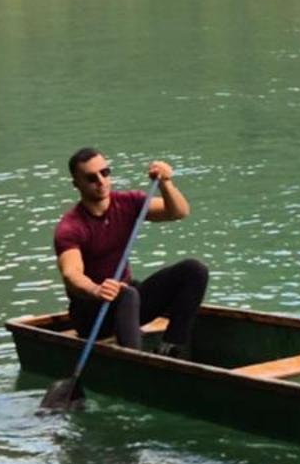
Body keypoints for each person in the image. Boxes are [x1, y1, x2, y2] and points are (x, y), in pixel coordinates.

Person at [53, 149, 207, 359]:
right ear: (76, 184)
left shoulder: (127, 202)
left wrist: (165, 183)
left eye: (105, 172)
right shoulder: (71, 226)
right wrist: (96, 290)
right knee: (127, 293)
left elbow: (178, 212)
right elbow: (71, 274)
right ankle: (135, 362)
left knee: (193, 270)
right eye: (91, 178)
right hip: (92, 314)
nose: (101, 181)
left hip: (127, 304)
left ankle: (171, 348)